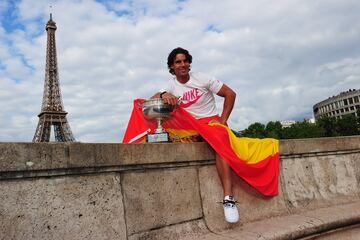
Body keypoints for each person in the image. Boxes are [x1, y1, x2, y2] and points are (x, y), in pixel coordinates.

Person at [151, 47, 239, 223]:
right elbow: (152, 100)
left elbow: (230, 94)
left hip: (210, 121)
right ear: (172, 66)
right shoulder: (170, 85)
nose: (182, 64)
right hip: (189, 126)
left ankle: (228, 199)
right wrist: (163, 94)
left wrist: (222, 121)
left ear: (189, 63)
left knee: (220, 141)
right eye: (178, 62)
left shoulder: (203, 78)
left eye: (185, 61)